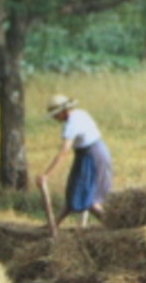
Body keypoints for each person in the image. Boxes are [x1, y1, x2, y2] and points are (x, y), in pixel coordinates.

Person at [38, 94, 113, 228]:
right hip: (87, 155)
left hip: (93, 157)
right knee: (74, 191)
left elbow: (64, 151)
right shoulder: (80, 114)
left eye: (56, 115)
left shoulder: (72, 124)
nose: (55, 119)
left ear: (63, 111)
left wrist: (47, 175)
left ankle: (112, 224)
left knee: (89, 199)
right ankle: (54, 224)